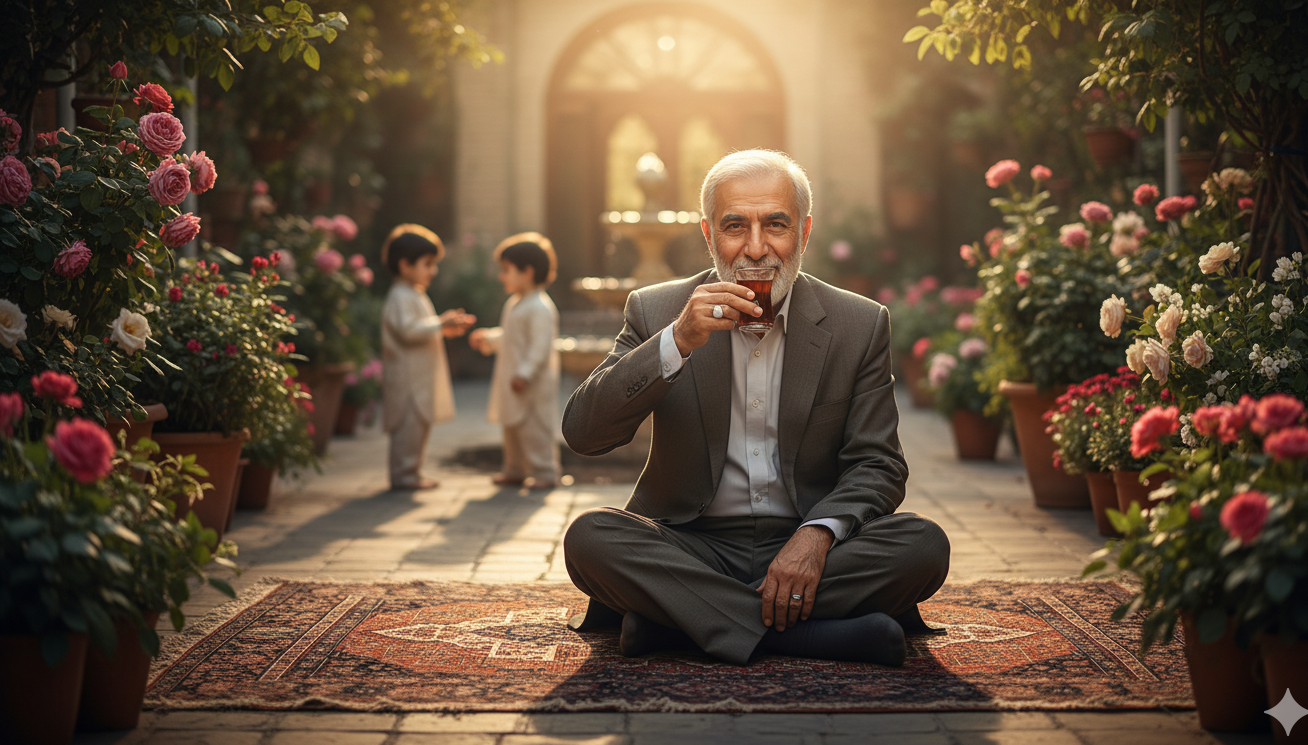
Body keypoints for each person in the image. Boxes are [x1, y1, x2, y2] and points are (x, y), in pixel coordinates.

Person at [562, 149, 950, 667]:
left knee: (924, 545)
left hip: (815, 549)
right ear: (707, 235)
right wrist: (677, 341)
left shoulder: (859, 324)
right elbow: (584, 434)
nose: (756, 248)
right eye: (734, 226)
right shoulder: (656, 310)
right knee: (589, 539)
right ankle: (809, 636)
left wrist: (816, 536)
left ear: (804, 233)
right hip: (691, 546)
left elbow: (878, 464)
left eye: (776, 225)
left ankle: (678, 622)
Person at [380, 223, 475, 490]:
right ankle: (403, 474)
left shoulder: (414, 294)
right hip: (408, 381)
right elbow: (408, 331)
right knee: (407, 427)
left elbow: (422, 329)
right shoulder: (400, 296)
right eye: (427, 263)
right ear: (404, 265)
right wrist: (440, 323)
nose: (433, 270)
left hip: (419, 380)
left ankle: (412, 471)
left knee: (419, 427)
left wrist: (443, 327)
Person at [469, 233, 562, 490]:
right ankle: (514, 468)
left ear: (528, 272)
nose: (502, 276)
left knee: (535, 427)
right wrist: (488, 338)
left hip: (531, 383)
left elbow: (539, 347)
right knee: (512, 426)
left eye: (507, 270)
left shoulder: (540, 307)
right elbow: (511, 338)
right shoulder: (515, 304)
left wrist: (526, 373)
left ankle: (545, 470)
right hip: (513, 381)